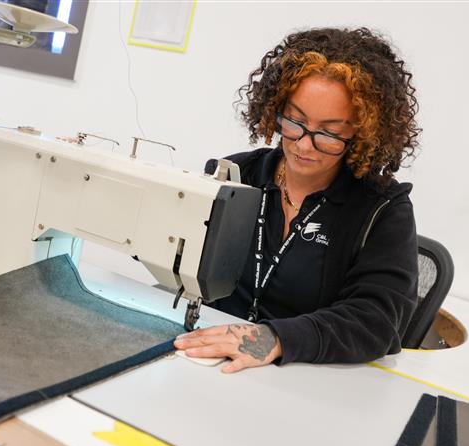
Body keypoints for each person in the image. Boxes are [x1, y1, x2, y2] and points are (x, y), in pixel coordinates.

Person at [174, 27, 421, 373]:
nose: (304, 145)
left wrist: (272, 339)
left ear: (362, 133)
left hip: (306, 377)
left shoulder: (382, 209)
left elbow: (377, 320)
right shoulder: (236, 175)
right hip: (212, 362)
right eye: (295, 121)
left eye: (330, 133)